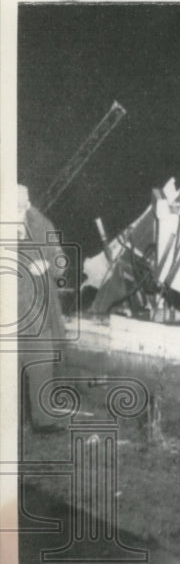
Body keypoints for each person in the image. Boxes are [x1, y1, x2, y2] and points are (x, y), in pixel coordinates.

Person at [16, 184, 67, 433]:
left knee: (41, 365)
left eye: (20, 206)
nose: (17, 212)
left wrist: (48, 264)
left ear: (27, 205)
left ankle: (43, 421)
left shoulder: (41, 225)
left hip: (37, 312)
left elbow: (60, 261)